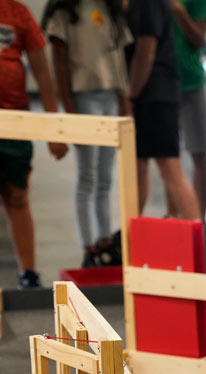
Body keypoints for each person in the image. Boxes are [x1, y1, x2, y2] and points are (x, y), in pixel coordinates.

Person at [42, 0, 131, 268]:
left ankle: (105, 241)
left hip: (110, 96)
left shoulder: (110, 9)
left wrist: (124, 99)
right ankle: (88, 245)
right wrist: (68, 109)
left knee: (105, 176)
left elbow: (119, 60)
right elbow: (59, 63)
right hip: (84, 97)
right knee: (88, 175)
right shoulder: (64, 13)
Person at [0, 0, 68, 289]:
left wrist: (55, 129)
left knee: (17, 196)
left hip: (15, 123)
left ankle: (28, 273)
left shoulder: (17, 12)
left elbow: (42, 71)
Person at [126, 0, 199, 219]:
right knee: (138, 166)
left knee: (169, 167)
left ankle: (198, 240)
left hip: (156, 94)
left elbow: (146, 51)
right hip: (150, 93)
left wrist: (131, 94)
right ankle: (131, 237)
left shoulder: (148, 4)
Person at [169, 0, 206, 220]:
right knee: (167, 156)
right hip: (161, 83)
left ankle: (199, 222)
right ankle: (172, 215)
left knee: (199, 152)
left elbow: (199, 40)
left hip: (190, 83)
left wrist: (178, 11)